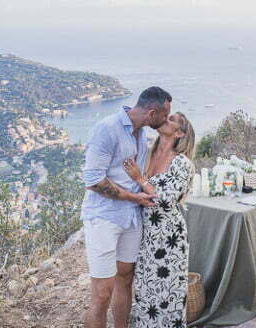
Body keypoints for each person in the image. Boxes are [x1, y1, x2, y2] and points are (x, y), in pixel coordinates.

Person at [81, 86, 173, 328]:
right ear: (153, 113)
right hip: (104, 218)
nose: (166, 120)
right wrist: (135, 198)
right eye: (165, 115)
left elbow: (136, 177)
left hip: (131, 219)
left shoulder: (140, 134)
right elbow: (93, 181)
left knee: (125, 279)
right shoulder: (107, 129)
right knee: (102, 293)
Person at [123, 111, 195, 328]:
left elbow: (166, 200)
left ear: (180, 133)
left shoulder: (181, 163)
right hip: (145, 236)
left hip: (169, 237)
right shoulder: (147, 154)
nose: (166, 119)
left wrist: (139, 178)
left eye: (172, 120)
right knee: (146, 294)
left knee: (168, 295)